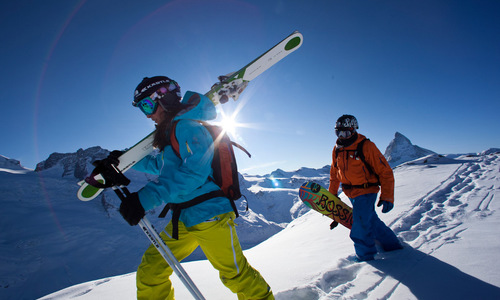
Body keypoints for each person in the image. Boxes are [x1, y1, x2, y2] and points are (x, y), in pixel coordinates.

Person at [117, 76, 274, 299]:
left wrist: (146, 198)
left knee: (235, 275)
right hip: (183, 218)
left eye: (147, 105)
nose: (149, 115)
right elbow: (160, 165)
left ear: (165, 98)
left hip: (210, 216)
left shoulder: (186, 126)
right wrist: (124, 162)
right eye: (143, 109)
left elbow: (195, 172)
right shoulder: (172, 131)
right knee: (151, 272)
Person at [329, 114, 402, 261]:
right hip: (350, 192)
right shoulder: (337, 149)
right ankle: (393, 245)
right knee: (370, 220)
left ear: (354, 130)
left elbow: (385, 172)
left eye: (346, 132)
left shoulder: (366, 146)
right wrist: (332, 195)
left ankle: (365, 258)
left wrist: (387, 196)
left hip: (367, 191)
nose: (343, 136)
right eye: (339, 132)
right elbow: (334, 174)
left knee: (360, 226)